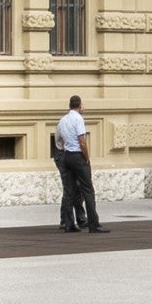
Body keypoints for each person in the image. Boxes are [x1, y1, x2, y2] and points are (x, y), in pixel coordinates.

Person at [49, 94, 102, 235]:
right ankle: (93, 224)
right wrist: (87, 158)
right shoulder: (78, 119)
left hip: (66, 156)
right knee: (87, 189)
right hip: (77, 155)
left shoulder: (63, 120)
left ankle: (68, 224)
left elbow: (58, 140)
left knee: (69, 190)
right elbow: (82, 141)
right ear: (80, 105)